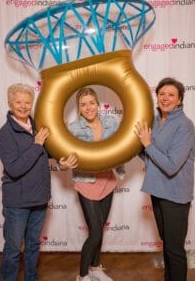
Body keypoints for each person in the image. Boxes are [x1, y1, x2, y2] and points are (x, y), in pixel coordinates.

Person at [0, 83, 77, 281]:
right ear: (10, 103)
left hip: (40, 199)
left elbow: (47, 156)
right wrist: (37, 144)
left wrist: (62, 164)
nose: (23, 106)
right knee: (13, 249)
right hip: (17, 203)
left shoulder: (38, 128)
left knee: (33, 246)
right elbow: (14, 168)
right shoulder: (6, 133)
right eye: (18, 102)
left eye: (27, 102)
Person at [134, 77, 195, 281]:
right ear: (157, 96)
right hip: (158, 191)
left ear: (179, 100)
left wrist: (147, 145)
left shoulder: (184, 125)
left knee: (175, 251)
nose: (166, 98)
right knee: (167, 247)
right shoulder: (154, 120)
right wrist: (136, 148)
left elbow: (171, 166)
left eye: (171, 95)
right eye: (162, 94)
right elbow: (150, 157)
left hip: (176, 195)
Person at [68, 87, 124, 281]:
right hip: (86, 183)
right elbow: (65, 154)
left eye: (92, 103)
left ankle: (95, 267)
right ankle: (82, 275)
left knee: (99, 230)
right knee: (96, 232)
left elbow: (123, 145)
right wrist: (63, 161)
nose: (88, 107)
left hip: (107, 181)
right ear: (79, 108)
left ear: (98, 104)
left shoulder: (111, 122)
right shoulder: (74, 128)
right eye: (83, 104)